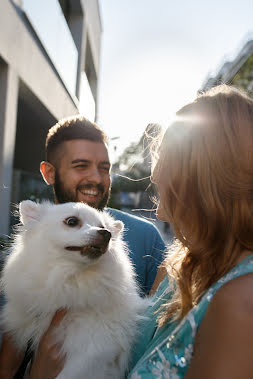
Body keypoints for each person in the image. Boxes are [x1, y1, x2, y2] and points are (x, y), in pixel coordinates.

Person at [0, 116, 166, 378]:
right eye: (81, 166)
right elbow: (7, 363)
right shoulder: (26, 255)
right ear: (49, 173)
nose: (96, 178)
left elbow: (159, 333)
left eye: (104, 167)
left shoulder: (146, 237)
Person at [127, 84, 253, 378]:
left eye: (166, 159)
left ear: (203, 174)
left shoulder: (241, 302)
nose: (155, 175)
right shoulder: (178, 266)